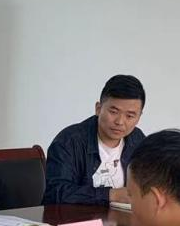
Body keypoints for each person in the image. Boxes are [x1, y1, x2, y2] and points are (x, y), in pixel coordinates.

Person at [44, 74, 147, 206]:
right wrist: (111, 194)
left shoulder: (138, 140)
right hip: (74, 218)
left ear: (139, 117)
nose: (120, 122)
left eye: (130, 116)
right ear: (98, 109)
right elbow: (56, 193)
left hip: (121, 218)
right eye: (114, 112)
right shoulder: (69, 141)